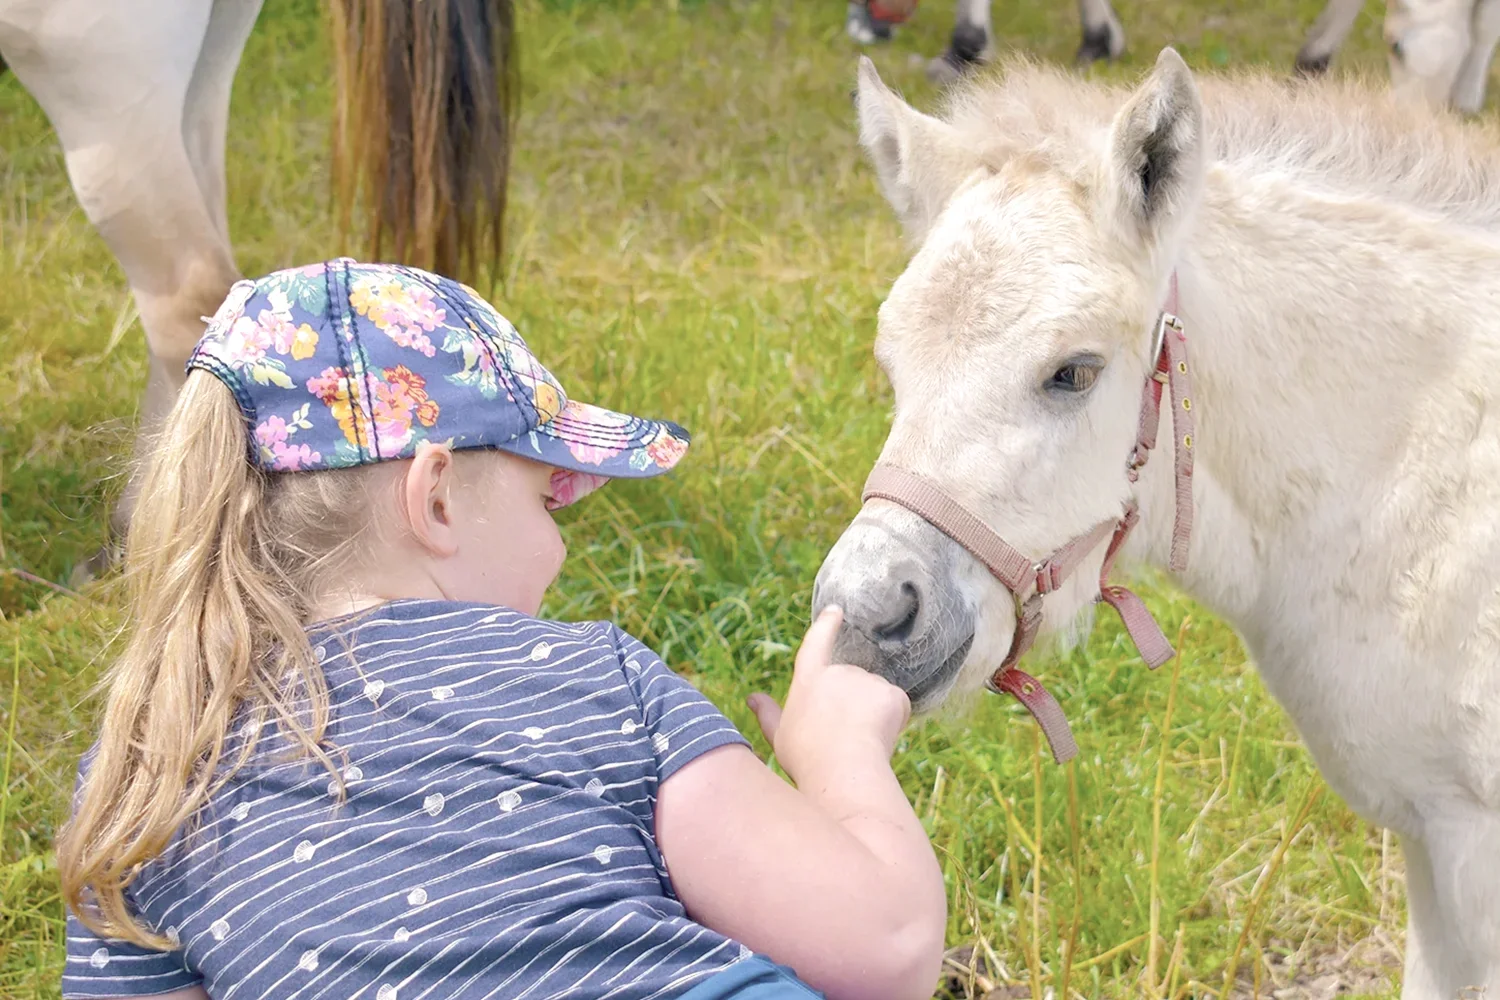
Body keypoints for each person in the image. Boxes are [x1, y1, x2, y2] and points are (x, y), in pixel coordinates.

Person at [56, 260, 947, 1000]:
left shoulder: (151, 764)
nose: (562, 539)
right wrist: (838, 753)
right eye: (548, 493)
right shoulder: (591, 678)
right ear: (434, 498)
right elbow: (888, 945)